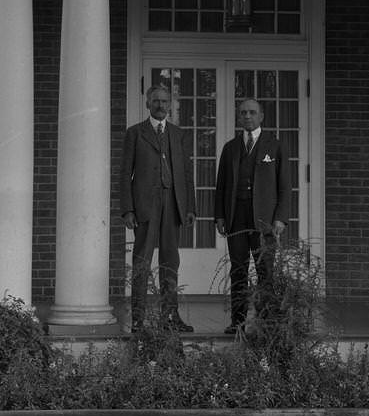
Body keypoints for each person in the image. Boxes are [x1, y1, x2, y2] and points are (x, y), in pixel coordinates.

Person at [119, 83, 197, 333]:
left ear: (170, 104)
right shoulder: (135, 133)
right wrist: (127, 209)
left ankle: (170, 317)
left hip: (173, 204)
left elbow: (186, 173)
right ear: (147, 104)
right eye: (156, 101)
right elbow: (124, 174)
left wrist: (189, 207)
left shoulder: (178, 134)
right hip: (145, 205)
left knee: (170, 261)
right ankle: (139, 320)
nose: (161, 105)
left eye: (165, 101)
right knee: (142, 262)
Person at [214, 97, 290, 334]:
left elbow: (285, 186)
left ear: (261, 116)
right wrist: (220, 216)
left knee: (265, 269)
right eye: (243, 112)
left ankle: (265, 320)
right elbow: (221, 185)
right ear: (239, 116)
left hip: (264, 218)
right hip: (236, 215)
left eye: (252, 112)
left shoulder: (275, 146)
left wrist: (280, 218)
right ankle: (237, 322)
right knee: (237, 269)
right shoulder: (230, 147)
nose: (247, 116)